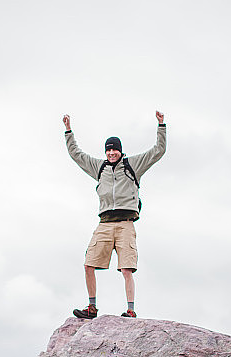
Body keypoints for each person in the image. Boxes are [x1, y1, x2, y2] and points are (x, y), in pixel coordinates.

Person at [63, 111, 166, 319]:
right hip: (104, 223)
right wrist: (68, 131)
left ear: (120, 151)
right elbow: (77, 155)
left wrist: (161, 126)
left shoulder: (132, 166)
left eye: (114, 150)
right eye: (108, 150)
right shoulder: (99, 168)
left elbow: (158, 151)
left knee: (127, 269)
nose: (111, 153)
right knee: (88, 264)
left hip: (126, 224)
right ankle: (91, 308)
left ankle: (130, 310)